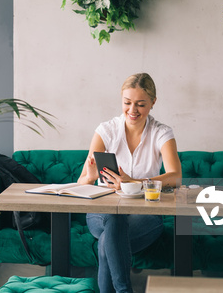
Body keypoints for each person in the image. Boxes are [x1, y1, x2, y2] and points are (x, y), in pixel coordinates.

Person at [77, 73, 181, 293]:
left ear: (153, 103)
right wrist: (91, 176)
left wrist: (134, 182)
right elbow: (82, 183)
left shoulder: (161, 132)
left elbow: (175, 176)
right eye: (127, 103)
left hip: (145, 214)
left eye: (140, 104)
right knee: (114, 218)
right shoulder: (106, 131)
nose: (132, 110)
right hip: (101, 212)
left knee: (107, 243)